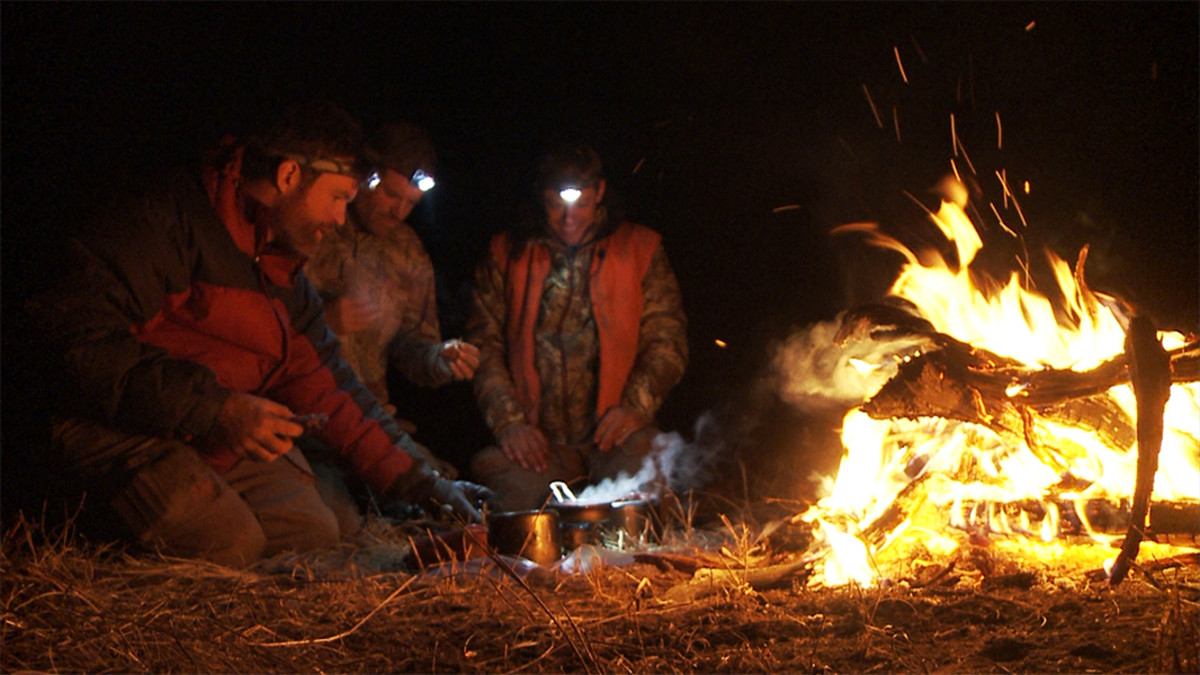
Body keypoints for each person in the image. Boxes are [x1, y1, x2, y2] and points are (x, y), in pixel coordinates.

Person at [22, 100, 491, 568]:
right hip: (112, 427)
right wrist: (215, 409)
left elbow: (335, 393)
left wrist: (429, 486)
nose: (340, 218)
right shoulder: (167, 219)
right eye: (337, 198)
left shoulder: (282, 271)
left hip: (204, 434)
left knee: (315, 532)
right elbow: (74, 342)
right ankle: (79, 550)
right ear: (288, 176)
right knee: (229, 543)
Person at [465, 143, 688, 511]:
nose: (570, 218)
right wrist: (509, 424)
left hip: (616, 441)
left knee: (646, 498)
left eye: (581, 203)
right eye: (557, 204)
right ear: (541, 197)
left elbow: (668, 341)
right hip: (541, 447)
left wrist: (635, 407)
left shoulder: (639, 248)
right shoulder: (508, 252)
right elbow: (483, 345)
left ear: (600, 192)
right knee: (511, 501)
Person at [304, 122, 479, 470]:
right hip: (308, 421)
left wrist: (439, 357)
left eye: (410, 204)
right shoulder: (314, 227)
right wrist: (326, 321)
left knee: (443, 491)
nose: (398, 212)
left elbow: (411, 347)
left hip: (375, 421)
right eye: (390, 195)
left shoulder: (406, 250)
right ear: (364, 179)